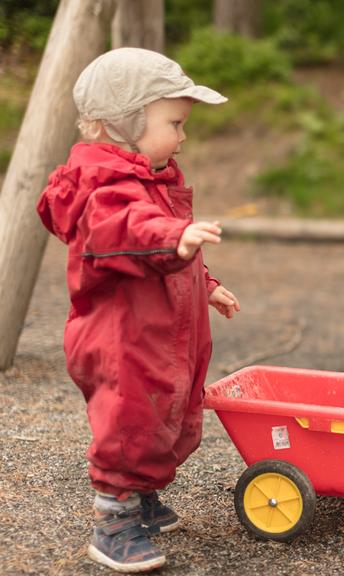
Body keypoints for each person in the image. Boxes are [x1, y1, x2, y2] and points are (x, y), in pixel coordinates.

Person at [36, 48, 240, 573]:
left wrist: (207, 281)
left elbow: (176, 246)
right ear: (123, 125)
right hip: (122, 338)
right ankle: (114, 519)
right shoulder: (102, 189)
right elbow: (126, 232)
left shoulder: (158, 176)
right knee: (131, 421)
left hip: (166, 329)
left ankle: (142, 496)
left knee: (171, 413)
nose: (182, 136)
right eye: (173, 123)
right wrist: (176, 237)